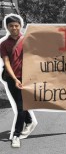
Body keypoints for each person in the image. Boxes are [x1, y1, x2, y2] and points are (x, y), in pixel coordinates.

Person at [1, 15, 37, 148]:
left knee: (21, 107)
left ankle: (16, 135)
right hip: (12, 78)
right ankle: (29, 121)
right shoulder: (4, 44)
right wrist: (15, 79)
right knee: (19, 105)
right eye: (11, 26)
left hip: (26, 78)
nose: (14, 28)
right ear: (7, 27)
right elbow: (6, 62)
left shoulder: (28, 40)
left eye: (16, 25)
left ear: (20, 26)